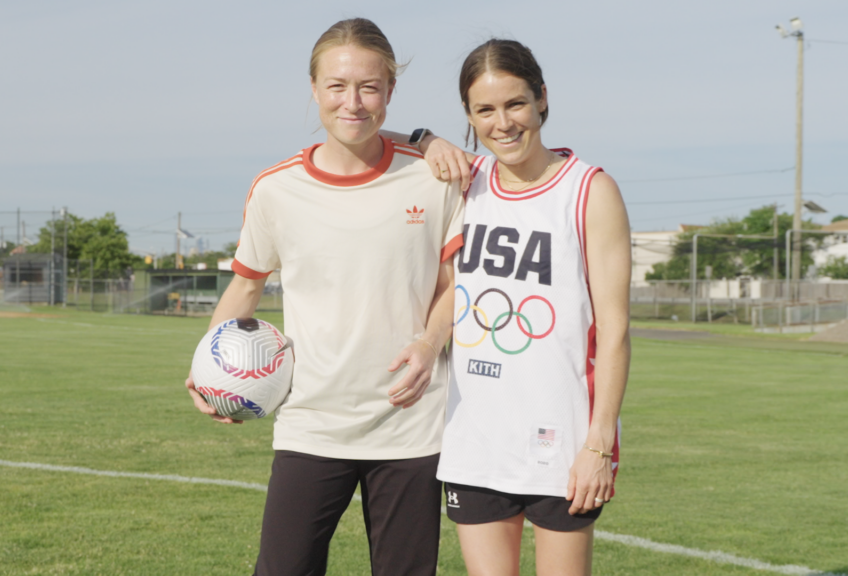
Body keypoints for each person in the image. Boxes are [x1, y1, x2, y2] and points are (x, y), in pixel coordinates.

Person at [183, 18, 464, 576]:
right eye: (337, 86)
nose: (352, 102)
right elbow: (246, 284)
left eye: (369, 86)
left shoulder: (434, 178)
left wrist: (431, 344)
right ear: (313, 90)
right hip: (311, 420)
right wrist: (205, 373)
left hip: (411, 424)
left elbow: (455, 283)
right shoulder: (276, 189)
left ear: (389, 92)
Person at [424, 39, 632, 576]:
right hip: (476, 441)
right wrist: (425, 140)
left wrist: (599, 444)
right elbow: (370, 134)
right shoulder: (467, 184)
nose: (504, 123)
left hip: (562, 447)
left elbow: (614, 330)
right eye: (484, 110)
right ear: (469, 117)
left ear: (542, 98)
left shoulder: (589, 190)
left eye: (515, 103)